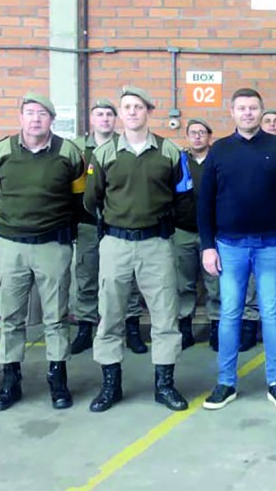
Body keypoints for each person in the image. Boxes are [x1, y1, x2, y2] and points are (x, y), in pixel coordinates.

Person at [198, 88, 276, 411]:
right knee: (230, 313)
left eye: (253, 108)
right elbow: (204, 203)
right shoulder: (219, 150)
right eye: (241, 108)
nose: (247, 113)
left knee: (272, 314)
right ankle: (226, 383)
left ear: (261, 112)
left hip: (271, 245)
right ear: (232, 112)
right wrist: (207, 247)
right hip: (228, 246)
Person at [84, 85, 188, 413]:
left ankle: (165, 385)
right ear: (120, 114)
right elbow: (92, 199)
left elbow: (183, 196)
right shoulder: (104, 154)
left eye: (138, 107)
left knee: (164, 315)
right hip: (115, 243)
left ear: (149, 112)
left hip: (156, 244)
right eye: (125, 107)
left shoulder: (170, 152)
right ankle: (110, 385)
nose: (131, 112)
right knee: (110, 314)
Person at [0, 93, 86, 411]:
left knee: (55, 317)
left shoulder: (69, 152)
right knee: (11, 318)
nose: (35, 119)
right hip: (12, 246)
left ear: (52, 120)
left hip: (52, 246)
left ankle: (58, 380)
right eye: (29, 113)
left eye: (42, 113)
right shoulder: (1, 150)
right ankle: (11, 381)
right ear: (20, 117)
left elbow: (78, 199)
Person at [230, 109, 276, 352]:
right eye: (268, 121)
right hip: (247, 226)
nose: (272, 125)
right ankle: (250, 328)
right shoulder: (239, 149)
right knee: (251, 281)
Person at [69, 98, 118, 355]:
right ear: (92, 119)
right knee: (86, 277)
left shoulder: (125, 145)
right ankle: (85, 328)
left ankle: (127, 328)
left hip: (117, 225)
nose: (105, 119)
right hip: (87, 223)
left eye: (109, 114)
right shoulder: (76, 148)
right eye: (100, 114)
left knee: (123, 280)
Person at [173, 118, 219, 350]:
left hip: (214, 232)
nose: (198, 136)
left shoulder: (219, 159)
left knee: (215, 283)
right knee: (184, 283)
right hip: (183, 231)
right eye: (193, 132)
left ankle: (216, 328)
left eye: (202, 132)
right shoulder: (178, 161)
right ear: (188, 136)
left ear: (210, 136)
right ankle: (185, 328)